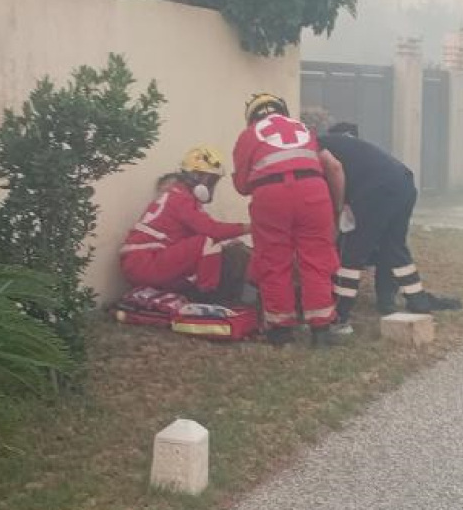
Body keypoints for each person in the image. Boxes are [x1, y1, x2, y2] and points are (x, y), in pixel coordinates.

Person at [319, 123, 462, 335]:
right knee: (393, 246)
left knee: (352, 251)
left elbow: (335, 172)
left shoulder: (316, 147)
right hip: (403, 182)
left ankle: (339, 316)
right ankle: (417, 300)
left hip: (377, 189)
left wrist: (337, 210)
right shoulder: (343, 144)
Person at [232, 93, 339, 347]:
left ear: (252, 117)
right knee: (316, 259)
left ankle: (281, 333)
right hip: (314, 192)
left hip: (271, 196)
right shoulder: (303, 128)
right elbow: (329, 165)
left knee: (274, 260)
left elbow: (242, 185)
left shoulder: (249, 135)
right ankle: (321, 331)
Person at [120, 147, 250, 302]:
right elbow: (212, 230)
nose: (210, 185)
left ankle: (201, 294)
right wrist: (249, 227)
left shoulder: (181, 196)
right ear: (194, 176)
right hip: (145, 262)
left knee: (218, 243)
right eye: (209, 179)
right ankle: (207, 296)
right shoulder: (180, 198)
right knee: (209, 240)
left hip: (146, 261)